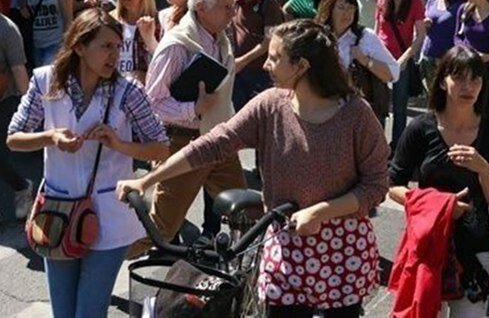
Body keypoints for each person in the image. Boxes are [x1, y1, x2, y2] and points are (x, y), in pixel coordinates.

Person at [118, 19, 389, 317]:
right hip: (286, 245)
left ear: (301, 66)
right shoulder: (270, 106)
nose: (266, 65)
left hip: (342, 247)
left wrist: (320, 211)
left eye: (275, 58)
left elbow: (376, 186)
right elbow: (212, 144)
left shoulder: (355, 115)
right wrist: (147, 181)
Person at [8, 8, 168, 318]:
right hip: (57, 212)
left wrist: (119, 143)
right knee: (64, 314)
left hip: (110, 216)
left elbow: (160, 148)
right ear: (80, 47)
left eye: (118, 46)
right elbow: (14, 138)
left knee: (89, 313)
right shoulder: (45, 81)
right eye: (106, 46)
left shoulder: (128, 91)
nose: (114, 55)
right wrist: (50, 136)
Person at [388, 46, 489, 316]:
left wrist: (483, 168)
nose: (468, 86)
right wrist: (440, 205)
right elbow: (392, 185)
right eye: (459, 78)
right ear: (443, 81)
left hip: (475, 248)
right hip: (427, 245)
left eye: (475, 79)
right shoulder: (420, 128)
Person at [134, 0, 245, 255]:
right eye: (226, 7)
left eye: (233, 6)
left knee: (245, 211)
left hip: (218, 138)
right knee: (161, 228)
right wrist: (192, 109)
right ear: (200, 7)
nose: (233, 12)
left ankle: (251, 277)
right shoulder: (176, 45)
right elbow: (152, 102)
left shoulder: (220, 39)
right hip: (183, 142)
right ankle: (101, 261)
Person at [315, 0, 398, 126]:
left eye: (351, 8)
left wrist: (365, 61)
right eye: (341, 7)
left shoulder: (365, 37)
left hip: (356, 118)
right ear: (329, 9)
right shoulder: (317, 37)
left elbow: (393, 73)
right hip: (321, 113)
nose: (347, 13)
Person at [375, 0, 426, 148]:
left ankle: (398, 146)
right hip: (381, 59)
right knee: (378, 104)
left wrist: (404, 58)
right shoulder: (382, 1)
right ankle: (377, 145)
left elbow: (420, 35)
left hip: (401, 60)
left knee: (399, 106)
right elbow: (377, 31)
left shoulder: (415, 3)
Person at [226, 0, 285, 111]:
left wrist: (242, 61)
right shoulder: (235, 2)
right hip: (238, 72)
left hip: (260, 73)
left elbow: (269, 41)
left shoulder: (268, 4)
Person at [0, 11, 32, 218]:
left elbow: (19, 70)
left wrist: (31, 110)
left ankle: (22, 187)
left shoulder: (7, 29)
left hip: (4, 99)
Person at [110, 0, 159, 84]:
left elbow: (163, 59)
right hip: (113, 85)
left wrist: (147, 76)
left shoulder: (158, 22)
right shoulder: (110, 20)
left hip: (145, 89)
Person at [419, 0, 464, 91]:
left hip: (447, 58)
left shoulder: (460, 6)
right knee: (431, 95)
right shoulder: (432, 1)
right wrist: (425, 24)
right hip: (428, 54)